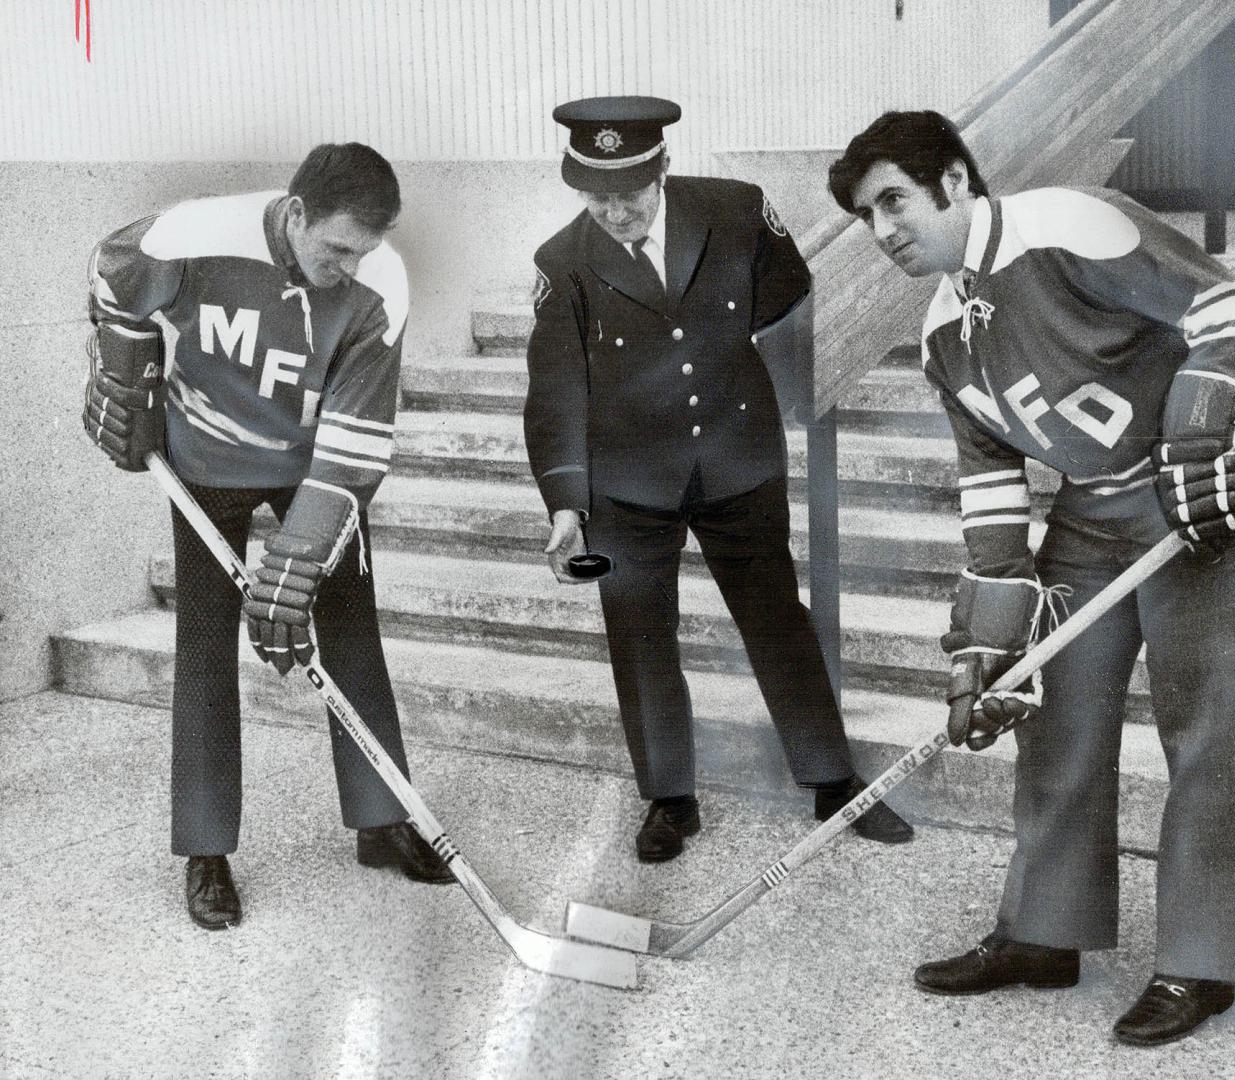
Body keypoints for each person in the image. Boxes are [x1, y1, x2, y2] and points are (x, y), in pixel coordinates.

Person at [828, 111, 1235, 1047]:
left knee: (1204, 730)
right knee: (1055, 715)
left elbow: (1230, 311)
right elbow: (993, 489)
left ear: (955, 180)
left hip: (1195, 499)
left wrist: (1202, 427)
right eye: (866, 217)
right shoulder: (943, 333)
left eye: (894, 201)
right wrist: (989, 639)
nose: (884, 230)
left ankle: (1202, 961)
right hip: (1090, 511)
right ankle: (1046, 934)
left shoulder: (1069, 222)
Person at [523, 96, 914, 862]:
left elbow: (789, 290)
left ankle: (834, 781)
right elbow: (555, 390)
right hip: (628, 484)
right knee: (639, 637)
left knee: (776, 617)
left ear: (662, 170)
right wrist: (566, 505)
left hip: (737, 459)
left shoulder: (735, 211)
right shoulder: (560, 261)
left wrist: (761, 379)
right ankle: (670, 800)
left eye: (629, 196)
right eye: (597, 199)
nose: (615, 214)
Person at [84, 142, 453, 931]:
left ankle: (383, 819)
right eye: (336, 247)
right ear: (296, 214)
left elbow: (355, 451)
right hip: (206, 461)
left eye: (365, 248)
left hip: (311, 466)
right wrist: (128, 376)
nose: (349, 264)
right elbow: (113, 277)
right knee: (205, 648)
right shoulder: (192, 234)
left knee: (352, 629)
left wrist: (299, 562)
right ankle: (207, 850)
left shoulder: (378, 285)